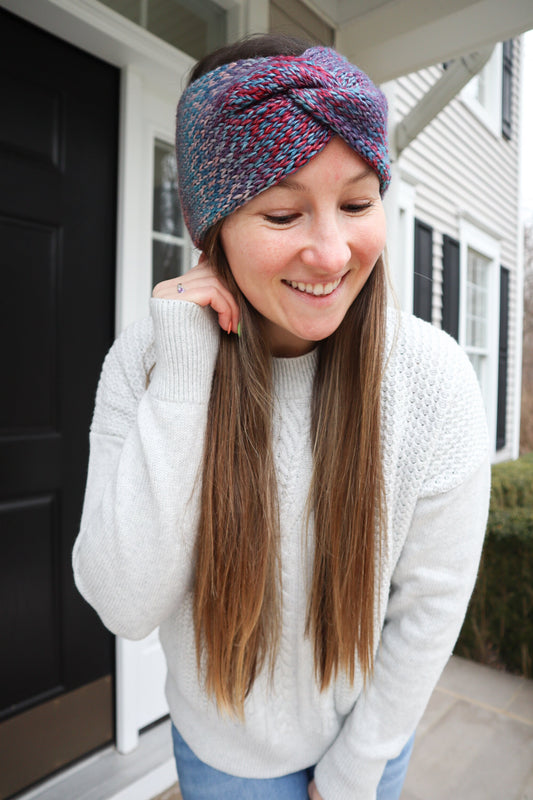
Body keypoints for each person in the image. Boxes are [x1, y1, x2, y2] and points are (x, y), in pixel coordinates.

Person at [73, 34, 490, 800]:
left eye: (358, 203)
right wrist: (184, 376)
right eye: (282, 211)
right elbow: (125, 604)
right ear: (213, 229)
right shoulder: (144, 363)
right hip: (221, 758)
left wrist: (354, 770)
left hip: (366, 746)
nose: (331, 253)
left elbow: (428, 611)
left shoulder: (431, 380)